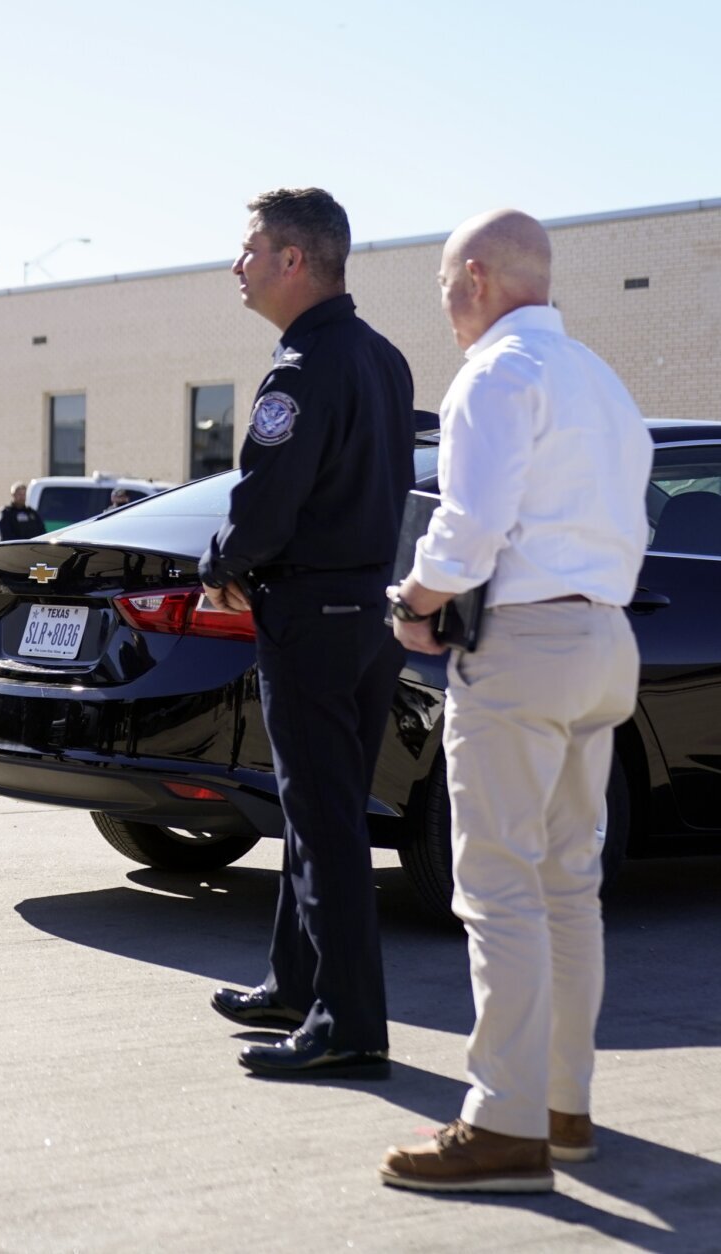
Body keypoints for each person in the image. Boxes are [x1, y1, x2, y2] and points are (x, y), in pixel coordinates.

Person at [378, 211, 653, 1193]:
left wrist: (414, 601)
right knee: (568, 885)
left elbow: (469, 525)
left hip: (524, 648)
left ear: (478, 279)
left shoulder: (496, 374)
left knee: (496, 888)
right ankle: (563, 1108)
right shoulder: (603, 382)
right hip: (604, 639)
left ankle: (503, 1123)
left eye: (445, 285)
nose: (445, 305)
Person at [200, 187, 415, 1079]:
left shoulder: (300, 369)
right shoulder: (383, 357)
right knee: (318, 808)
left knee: (324, 822)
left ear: (294, 260)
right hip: (369, 612)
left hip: (312, 618)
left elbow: (267, 500)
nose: (237, 265)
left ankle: (350, 1025)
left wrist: (219, 565)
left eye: (250, 249)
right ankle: (296, 982)